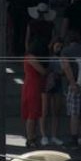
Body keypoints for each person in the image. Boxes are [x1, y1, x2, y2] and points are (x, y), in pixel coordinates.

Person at [21, 19, 54, 149]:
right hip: (33, 86)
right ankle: (30, 138)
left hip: (32, 84)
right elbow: (43, 71)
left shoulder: (28, 56)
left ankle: (32, 136)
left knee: (33, 113)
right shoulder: (31, 58)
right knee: (32, 113)